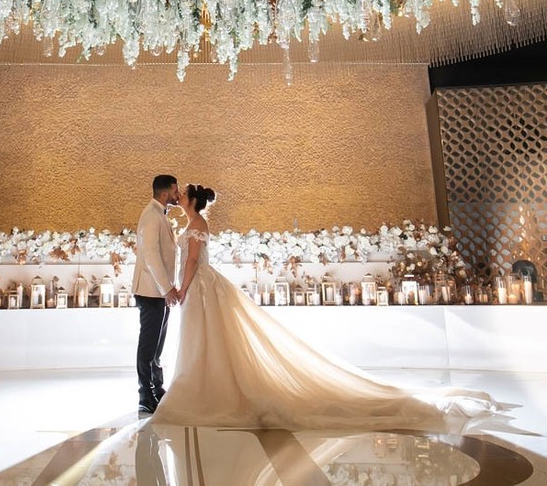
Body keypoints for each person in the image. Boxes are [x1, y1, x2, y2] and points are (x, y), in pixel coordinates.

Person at [152, 184, 509, 432]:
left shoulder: (196, 225)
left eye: (182, 194)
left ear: (192, 202)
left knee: (206, 338)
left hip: (199, 286)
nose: (178, 196)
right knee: (209, 340)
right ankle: (209, 386)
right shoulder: (195, 222)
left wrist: (181, 289)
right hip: (204, 288)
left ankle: (206, 391)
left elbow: (193, 260)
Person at [132, 173, 181, 414]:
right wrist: (166, 288)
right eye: (175, 190)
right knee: (149, 345)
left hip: (159, 292)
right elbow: (151, 255)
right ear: (165, 192)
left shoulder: (159, 215)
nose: (178, 194)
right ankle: (145, 393)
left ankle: (157, 387)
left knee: (157, 345)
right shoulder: (151, 216)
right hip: (151, 290)